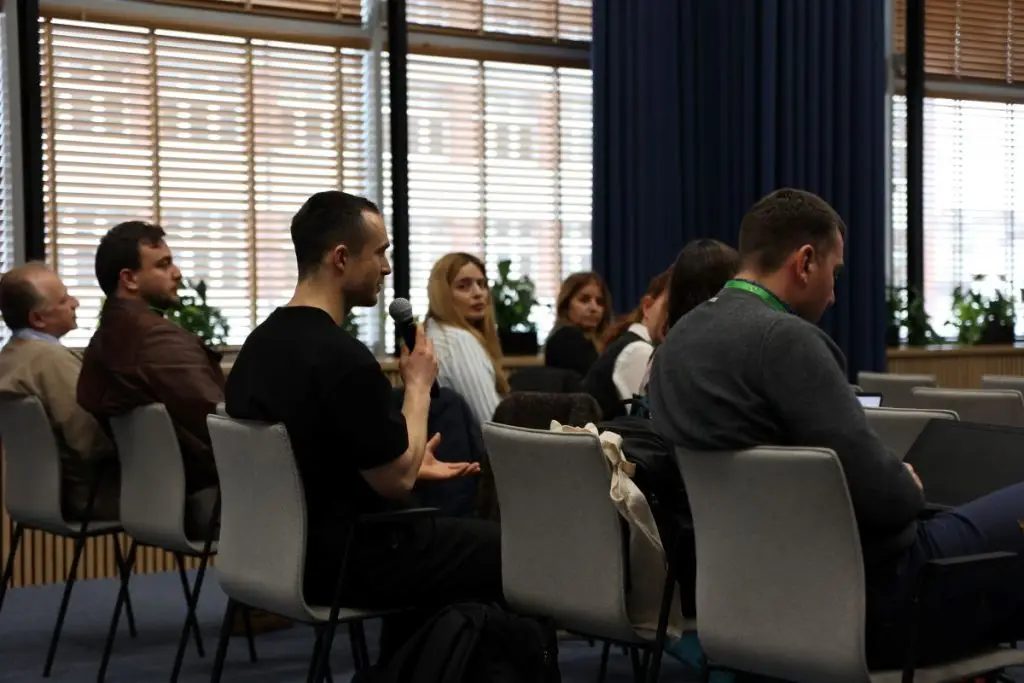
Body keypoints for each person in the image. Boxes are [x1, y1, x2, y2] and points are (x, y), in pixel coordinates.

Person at [649, 187, 1024, 667]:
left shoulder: (677, 343)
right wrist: (904, 483)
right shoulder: (786, 341)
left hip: (750, 604)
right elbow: (889, 502)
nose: (833, 293)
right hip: (874, 605)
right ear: (805, 262)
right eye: (834, 272)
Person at [224, 191, 502, 661]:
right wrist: (417, 386)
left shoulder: (258, 347)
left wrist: (411, 464)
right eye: (381, 253)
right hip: (347, 559)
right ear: (341, 258)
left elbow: (314, 457)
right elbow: (394, 482)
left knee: (448, 539)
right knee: (512, 549)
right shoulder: (341, 358)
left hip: (275, 554)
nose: (387, 268)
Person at [77, 221, 223, 541]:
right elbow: (220, 419)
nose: (177, 273)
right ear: (129, 279)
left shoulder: (103, 342)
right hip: (211, 502)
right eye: (163, 265)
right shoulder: (157, 340)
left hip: (151, 501)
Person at [0, 262, 119, 521]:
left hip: (34, 495)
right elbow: (89, 440)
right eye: (64, 300)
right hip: (90, 496)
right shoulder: (50, 360)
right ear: (38, 319)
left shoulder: (9, 358)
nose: (74, 302)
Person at [425, 252, 508, 426]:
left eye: (482, 284)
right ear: (443, 295)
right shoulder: (456, 341)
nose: (478, 293)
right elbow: (493, 423)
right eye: (464, 286)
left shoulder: (433, 334)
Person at [582, 270, 670, 420]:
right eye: (670, 306)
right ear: (647, 306)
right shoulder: (639, 351)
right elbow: (649, 423)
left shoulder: (630, 342)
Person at [544, 271, 612, 377]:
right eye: (584, 300)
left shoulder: (603, 342)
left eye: (600, 302)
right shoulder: (566, 338)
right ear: (566, 306)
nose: (594, 308)